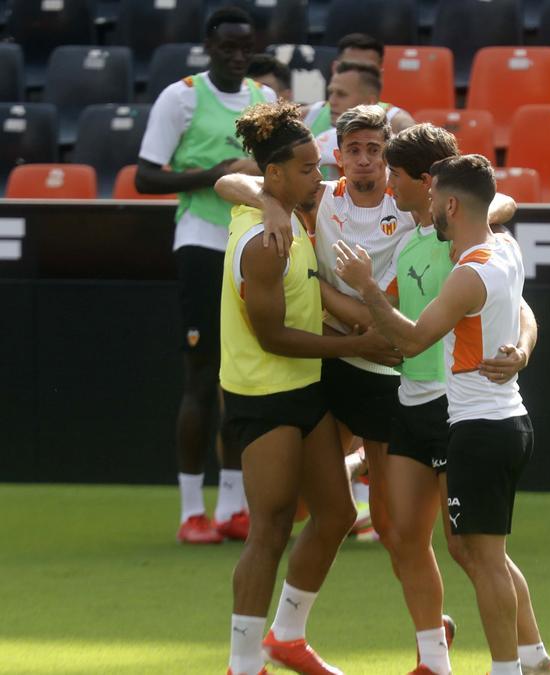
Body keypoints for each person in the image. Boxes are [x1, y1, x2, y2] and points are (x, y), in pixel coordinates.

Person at [216, 117, 529, 675]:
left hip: (403, 378)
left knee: (411, 533)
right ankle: (283, 638)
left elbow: (494, 212)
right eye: (352, 150)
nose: (362, 161)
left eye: (374, 151)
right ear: (339, 156)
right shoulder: (319, 201)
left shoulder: (432, 221)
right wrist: (272, 204)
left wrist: (520, 343)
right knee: (322, 514)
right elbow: (230, 182)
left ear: (401, 170)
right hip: (339, 367)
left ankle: (449, 653)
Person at [335, 154, 550, 675]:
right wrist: (522, 350)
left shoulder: (468, 274)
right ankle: (534, 662)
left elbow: (411, 339)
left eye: (435, 199)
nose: (428, 206)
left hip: (479, 430)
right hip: (504, 421)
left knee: (484, 561)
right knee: (482, 556)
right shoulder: (505, 251)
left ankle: (511, 668)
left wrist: (365, 285)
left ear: (450, 204)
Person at [220, 101, 400, 675]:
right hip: (263, 397)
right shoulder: (262, 243)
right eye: (306, 169)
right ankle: (243, 665)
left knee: (337, 513)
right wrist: (356, 345)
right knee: (269, 531)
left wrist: (271, 198)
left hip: (305, 391)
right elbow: (273, 337)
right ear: (276, 175)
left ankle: (288, 637)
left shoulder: (291, 213)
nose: (319, 177)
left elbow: (233, 178)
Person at [135, 5, 276, 544]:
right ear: (208, 46)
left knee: (244, 379)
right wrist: (214, 175)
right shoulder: (182, 96)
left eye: (245, 47)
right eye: (227, 47)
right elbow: (146, 176)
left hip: (252, 245)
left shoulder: (265, 102)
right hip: (200, 244)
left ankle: (233, 508)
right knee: (201, 376)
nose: (237, 56)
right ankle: (192, 511)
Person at [312, 61, 415, 179]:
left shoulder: (395, 119)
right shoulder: (314, 112)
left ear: (369, 102)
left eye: (341, 94)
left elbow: (413, 133)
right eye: (331, 93)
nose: (332, 102)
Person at [303, 32, 386, 136]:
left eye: (367, 70)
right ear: (335, 68)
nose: (357, 73)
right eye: (349, 66)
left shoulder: (395, 121)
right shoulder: (304, 116)